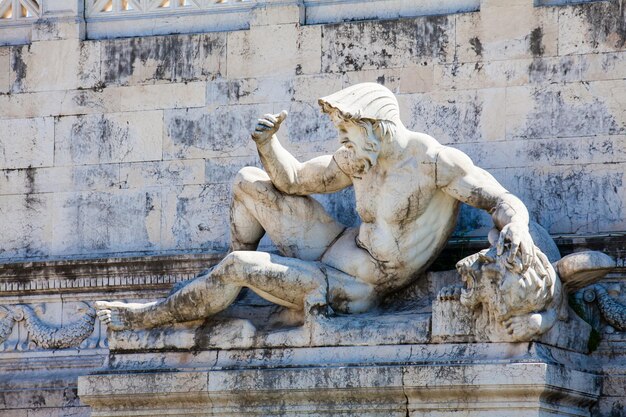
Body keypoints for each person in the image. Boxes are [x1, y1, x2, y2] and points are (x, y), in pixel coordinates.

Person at [96, 83, 535, 330]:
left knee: (237, 266)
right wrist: (268, 145)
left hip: (357, 284)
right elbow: (292, 180)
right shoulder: (358, 158)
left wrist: (517, 225)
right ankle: (218, 295)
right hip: (332, 245)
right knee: (249, 182)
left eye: (346, 129)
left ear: (375, 128)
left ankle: (149, 317)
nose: (340, 140)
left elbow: (500, 199)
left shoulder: (436, 163)